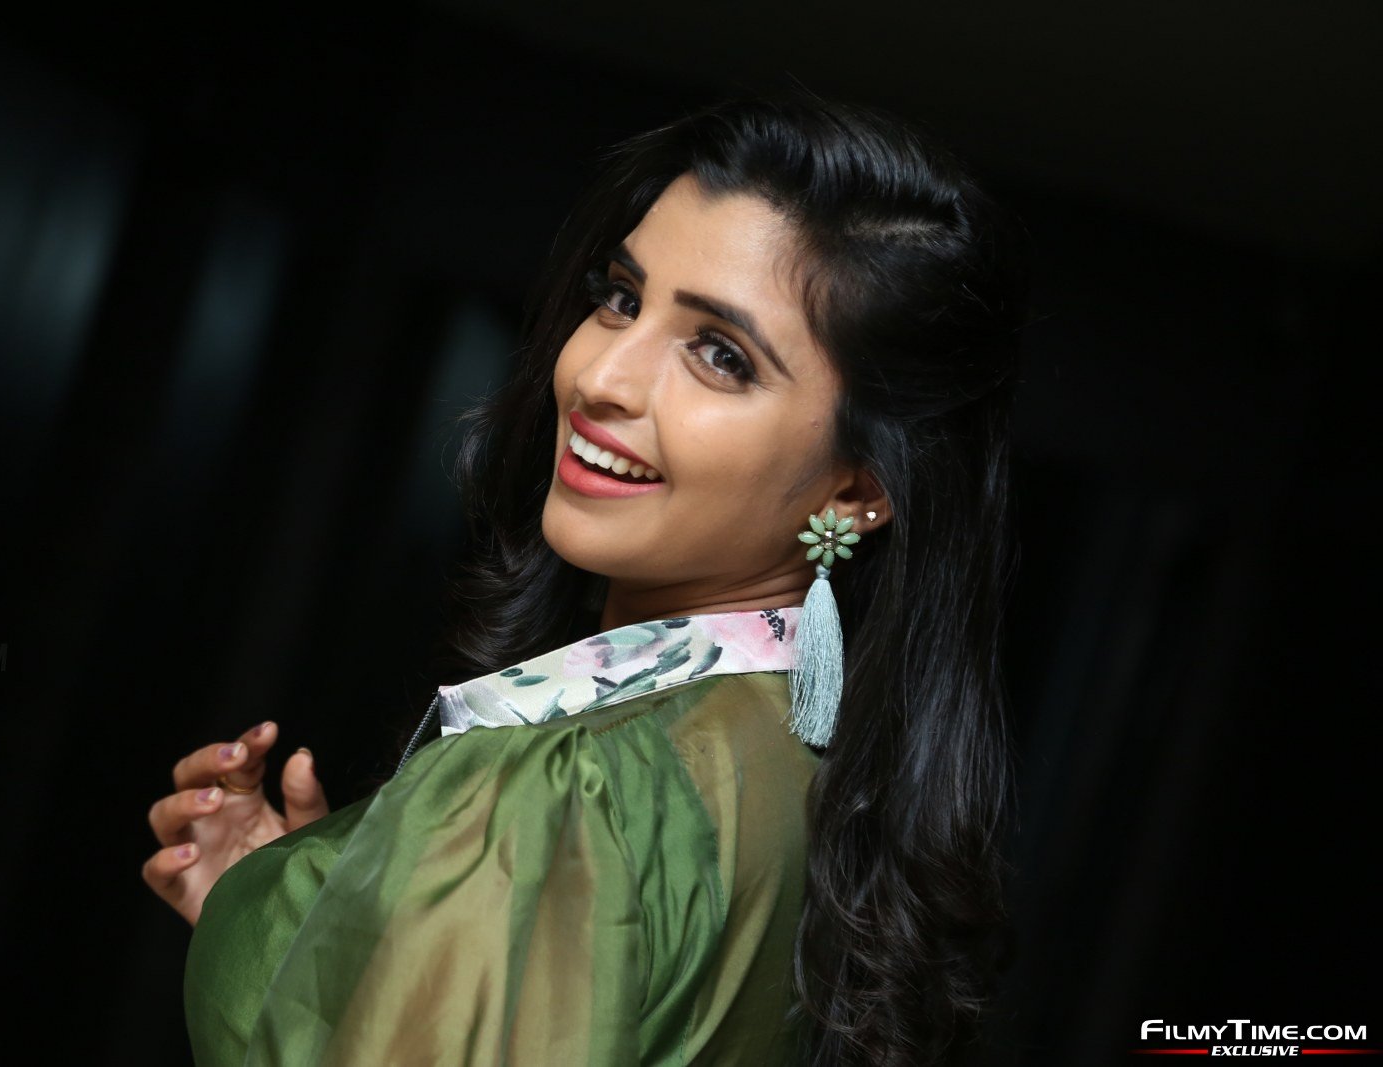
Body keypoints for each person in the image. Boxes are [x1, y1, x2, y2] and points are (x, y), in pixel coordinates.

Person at [143, 89, 1029, 1066]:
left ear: (858, 488)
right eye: (621, 298)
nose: (600, 377)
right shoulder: (809, 768)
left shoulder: (561, 788)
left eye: (720, 355)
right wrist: (327, 914)